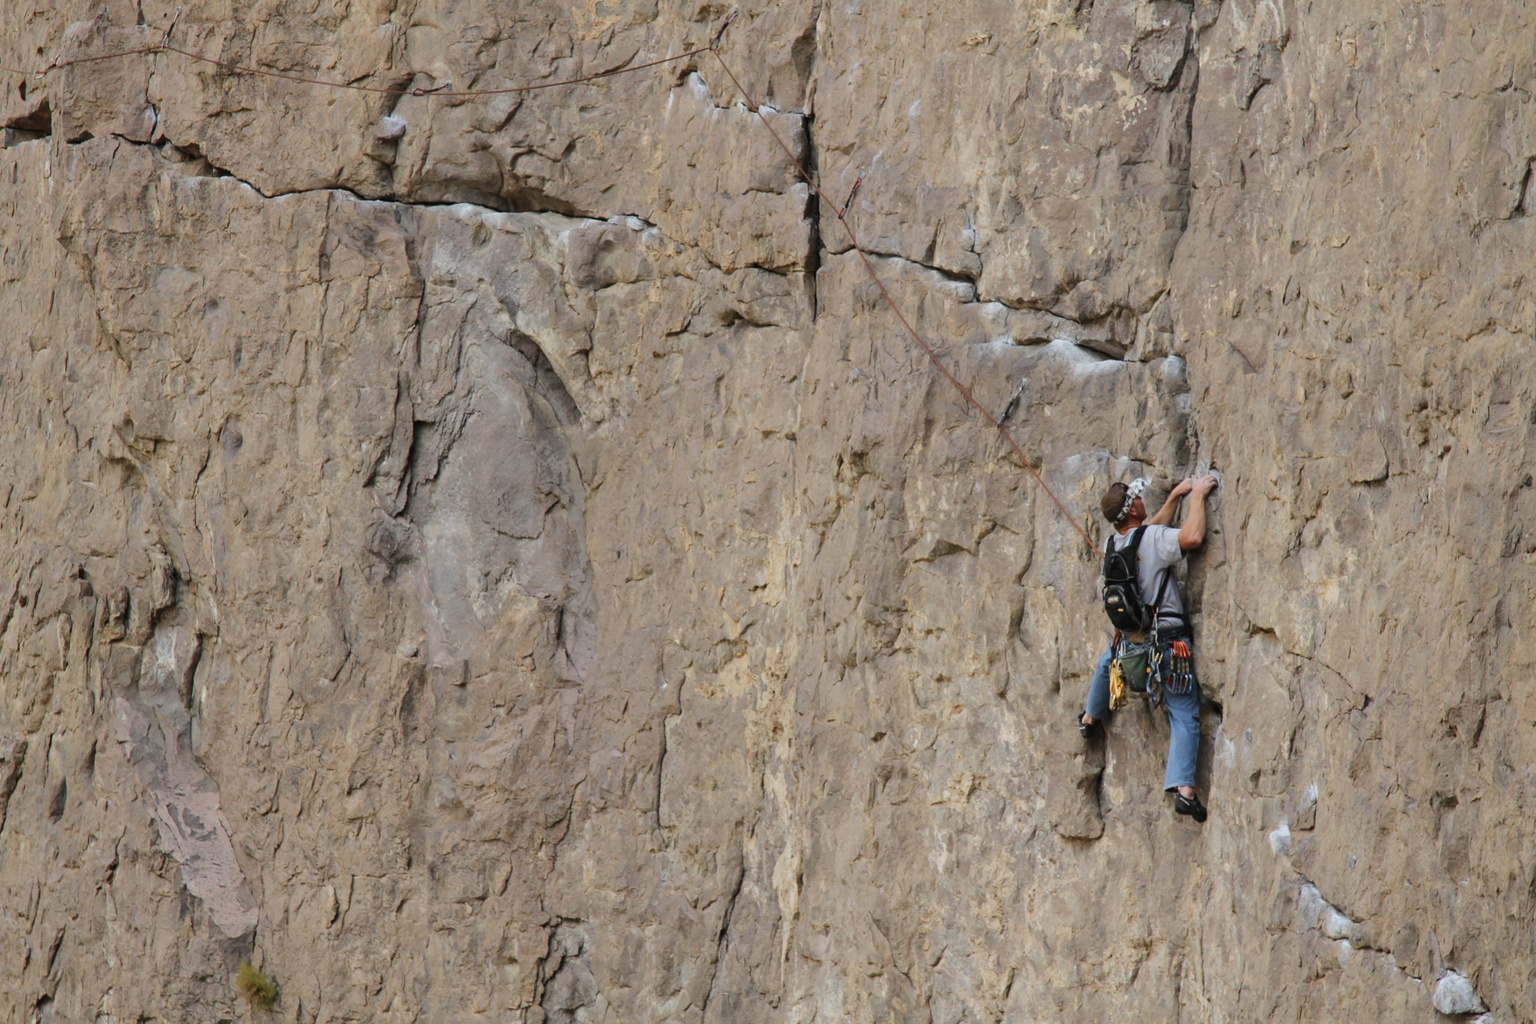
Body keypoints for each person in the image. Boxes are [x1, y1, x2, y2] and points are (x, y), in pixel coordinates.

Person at [1077, 474, 1218, 822]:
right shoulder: (1151, 539)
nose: (1142, 500)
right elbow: (1192, 536)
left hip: (1131, 641)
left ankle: (1090, 716)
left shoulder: (1115, 544)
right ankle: (1184, 791)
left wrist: (1174, 496)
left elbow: (1148, 531)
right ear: (1133, 508)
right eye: (1137, 498)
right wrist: (1197, 496)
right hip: (1167, 643)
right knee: (1184, 713)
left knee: (1109, 660)